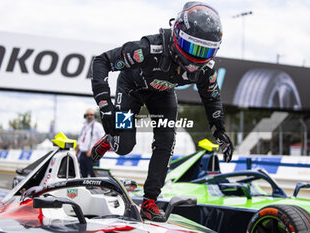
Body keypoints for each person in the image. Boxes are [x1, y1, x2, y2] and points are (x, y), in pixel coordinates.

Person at [90, 2, 234, 222]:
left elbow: (212, 98)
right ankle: (112, 140)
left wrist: (220, 132)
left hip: (163, 94)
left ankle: (150, 201)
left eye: (204, 51)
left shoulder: (206, 69)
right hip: (131, 89)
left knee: (167, 141)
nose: (196, 58)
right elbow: (101, 61)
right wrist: (105, 107)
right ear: (177, 34)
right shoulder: (148, 49)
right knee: (124, 146)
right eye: (193, 47)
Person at [76, 108, 104, 178]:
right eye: (87, 115)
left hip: (93, 155)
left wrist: (93, 149)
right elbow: (79, 141)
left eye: (91, 115)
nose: (89, 116)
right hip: (82, 154)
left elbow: (103, 140)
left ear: (94, 116)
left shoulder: (98, 126)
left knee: (94, 177)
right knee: (83, 175)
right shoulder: (84, 127)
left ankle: (94, 188)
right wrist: (76, 153)